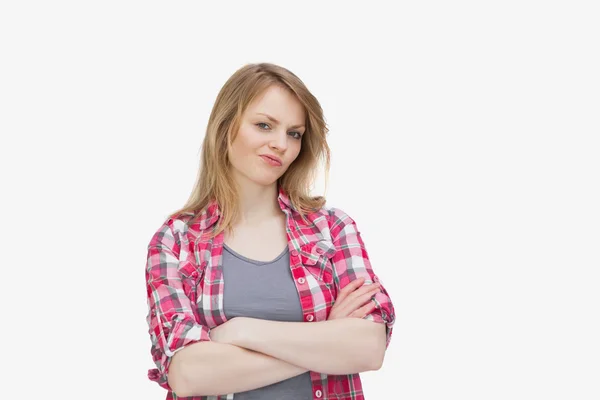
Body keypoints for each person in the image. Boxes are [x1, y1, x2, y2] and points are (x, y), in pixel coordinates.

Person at [145, 62, 396, 400]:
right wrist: (325, 339)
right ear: (226, 126)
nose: (281, 144)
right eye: (264, 125)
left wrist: (240, 331)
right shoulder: (177, 241)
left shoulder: (332, 230)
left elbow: (368, 347)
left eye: (294, 133)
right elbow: (189, 374)